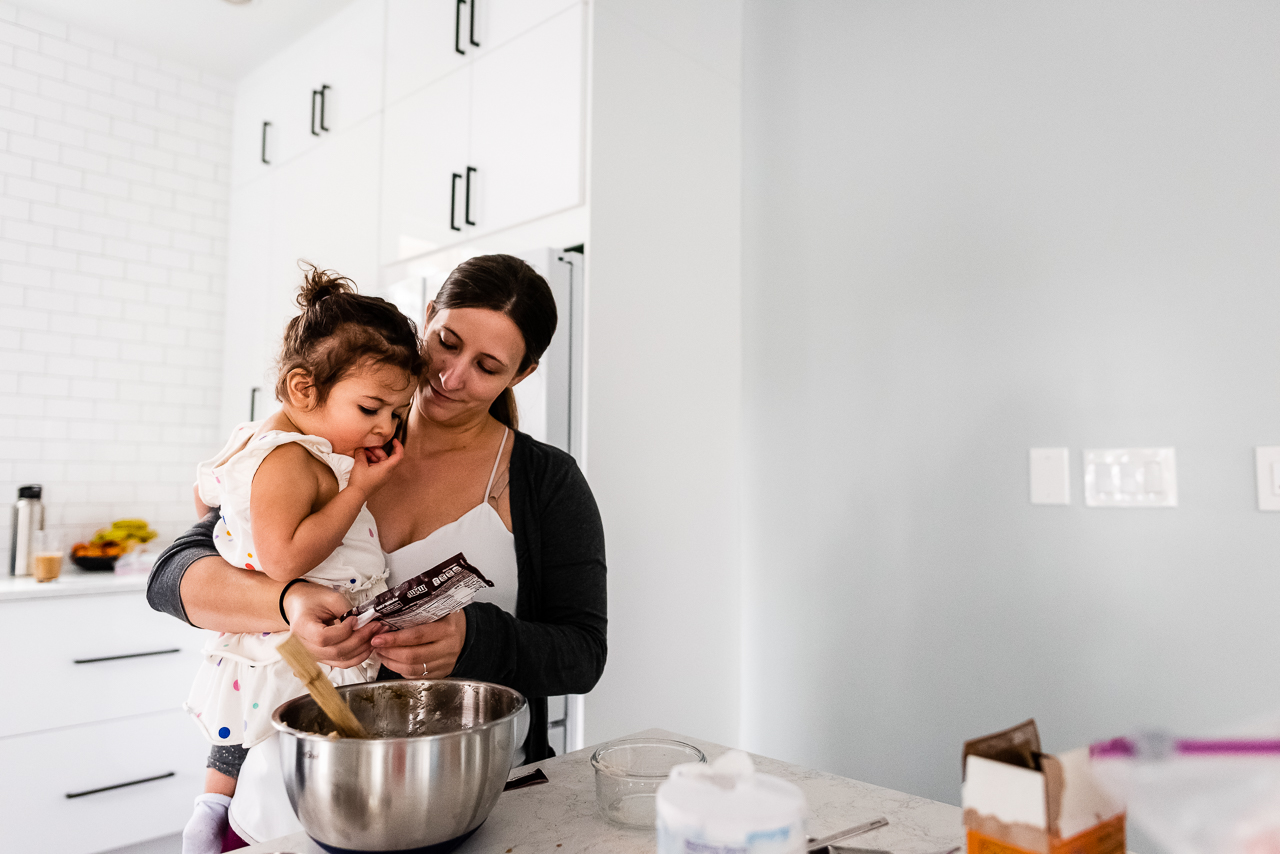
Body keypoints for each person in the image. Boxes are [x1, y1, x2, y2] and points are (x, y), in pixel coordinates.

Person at [148, 253, 608, 848]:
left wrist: (476, 638)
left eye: (488, 367)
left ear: (520, 377)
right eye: (445, 342)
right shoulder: (318, 441)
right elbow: (173, 575)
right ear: (427, 319)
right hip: (298, 784)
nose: (451, 375)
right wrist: (290, 604)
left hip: (466, 792)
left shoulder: (545, 481)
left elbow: (583, 654)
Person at [181, 265, 422, 854]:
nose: (386, 427)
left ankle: (215, 812)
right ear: (303, 389)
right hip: (294, 637)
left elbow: (203, 494)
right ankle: (224, 819)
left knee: (249, 725)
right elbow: (286, 561)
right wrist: (358, 488)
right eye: (372, 408)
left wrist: (236, 528)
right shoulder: (290, 460)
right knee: (297, 734)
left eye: (397, 413)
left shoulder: (263, 438)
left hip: (284, 632)